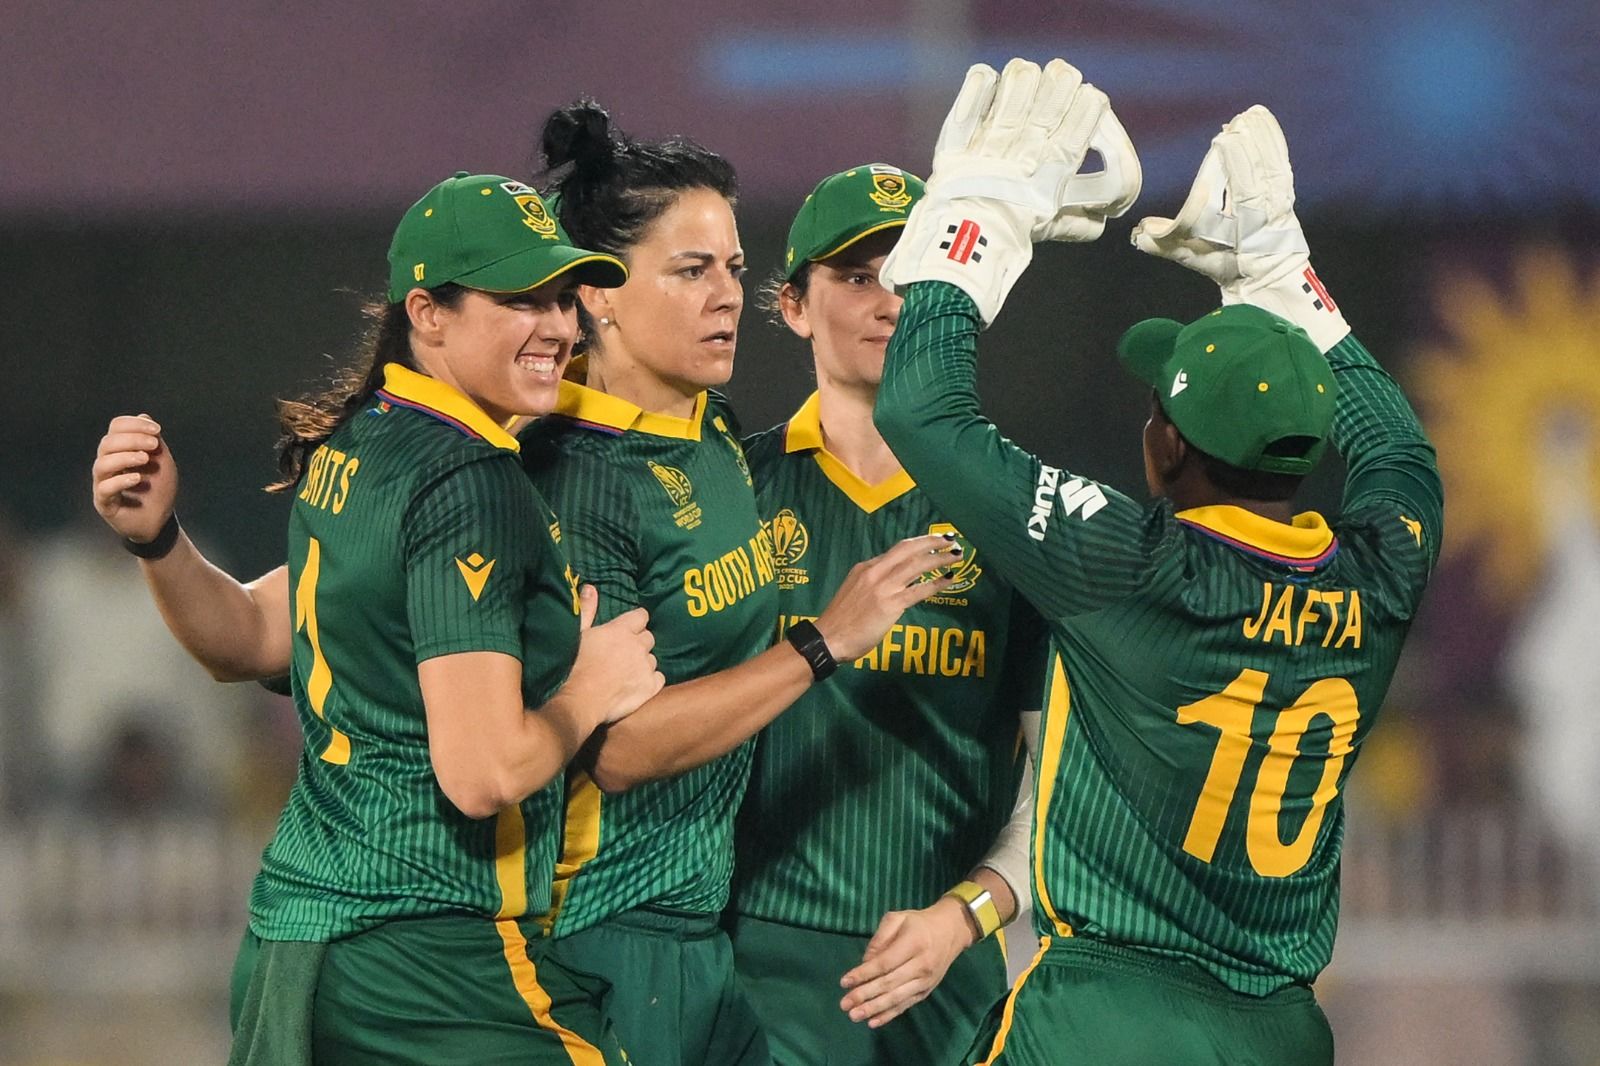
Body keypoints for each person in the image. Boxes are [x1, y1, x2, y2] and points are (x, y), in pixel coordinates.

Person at [871, 61, 1443, 1065]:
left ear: (1165, 447)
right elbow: (1399, 452)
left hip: (1109, 1018)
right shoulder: (1381, 575)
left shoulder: (1125, 566)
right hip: (1281, 1032)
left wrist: (976, 220)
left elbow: (920, 408)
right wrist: (1281, 278)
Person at [90, 172, 664, 1065]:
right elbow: (481, 774)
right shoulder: (470, 478)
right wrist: (590, 689)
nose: (555, 326)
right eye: (520, 299)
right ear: (428, 313)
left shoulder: (362, 442)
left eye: (561, 299)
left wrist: (160, 542)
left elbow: (245, 636)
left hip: (297, 947)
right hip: (430, 957)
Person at [520, 103, 963, 1066]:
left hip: (702, 944)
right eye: (690, 271)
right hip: (606, 936)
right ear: (599, 293)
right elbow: (622, 749)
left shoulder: (708, 431)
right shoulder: (577, 476)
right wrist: (823, 643)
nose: (727, 295)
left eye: (729, 266)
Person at [730, 164, 1047, 1065]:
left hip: (950, 974)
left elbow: (1058, 778)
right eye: (857, 277)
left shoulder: (1014, 513)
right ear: (793, 305)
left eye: (913, 278)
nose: (889, 303)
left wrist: (964, 916)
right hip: (752, 965)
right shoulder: (725, 493)